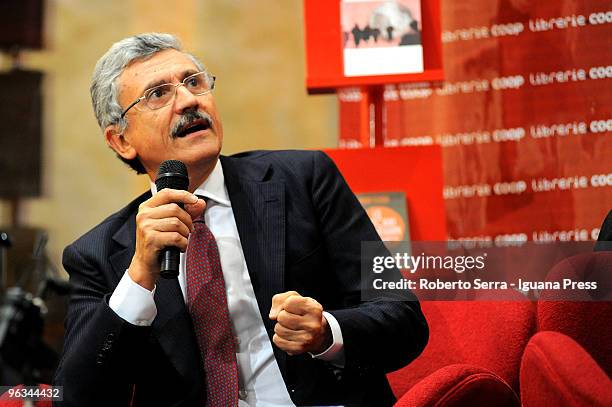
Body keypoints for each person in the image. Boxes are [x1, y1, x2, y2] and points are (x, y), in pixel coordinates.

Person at [53, 33, 428, 406]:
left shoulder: (304, 180)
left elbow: (403, 319)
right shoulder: (98, 254)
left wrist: (327, 333)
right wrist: (138, 279)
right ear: (121, 140)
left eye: (194, 82)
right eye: (158, 94)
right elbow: (75, 398)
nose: (187, 100)